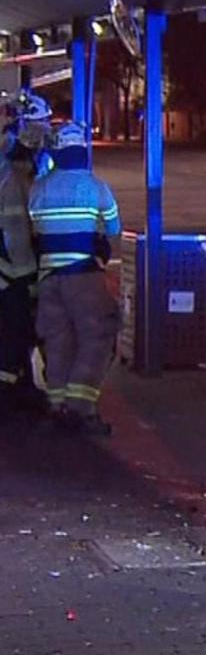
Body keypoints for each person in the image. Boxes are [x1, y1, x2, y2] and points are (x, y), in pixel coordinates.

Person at [28, 121, 121, 436]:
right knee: (97, 338)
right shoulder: (96, 187)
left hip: (48, 278)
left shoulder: (39, 188)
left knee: (57, 341)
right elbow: (113, 231)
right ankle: (79, 409)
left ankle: (57, 407)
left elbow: (34, 232)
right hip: (83, 275)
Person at [0, 93, 50, 419]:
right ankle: (12, 392)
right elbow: (20, 229)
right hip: (13, 271)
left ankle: (20, 384)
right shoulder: (15, 173)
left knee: (17, 333)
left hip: (13, 269)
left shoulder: (15, 166)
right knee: (15, 331)